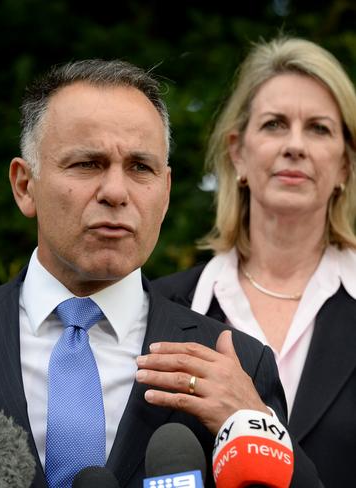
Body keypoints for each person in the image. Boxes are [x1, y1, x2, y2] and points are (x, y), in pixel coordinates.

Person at [0, 59, 320, 487]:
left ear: (164, 192)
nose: (116, 192)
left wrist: (248, 420)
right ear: (25, 186)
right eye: (87, 164)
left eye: (140, 167)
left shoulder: (236, 365)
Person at [152, 37, 356, 487]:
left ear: (344, 164)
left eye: (319, 128)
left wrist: (251, 418)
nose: (295, 146)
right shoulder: (164, 307)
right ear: (237, 152)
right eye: (275, 124)